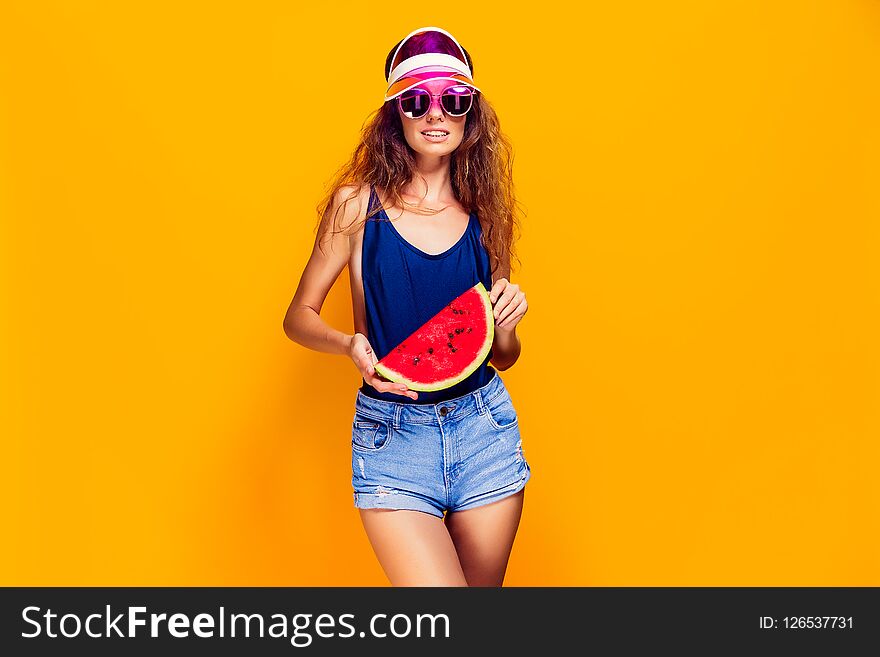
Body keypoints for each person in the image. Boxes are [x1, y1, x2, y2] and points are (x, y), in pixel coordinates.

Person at [283, 26, 531, 586]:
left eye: (453, 99)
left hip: (484, 430)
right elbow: (298, 315)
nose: (435, 114)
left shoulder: (487, 215)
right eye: (418, 100)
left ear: (471, 115)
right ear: (397, 114)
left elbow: (501, 353)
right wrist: (349, 344)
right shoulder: (355, 206)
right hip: (392, 436)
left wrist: (508, 325)